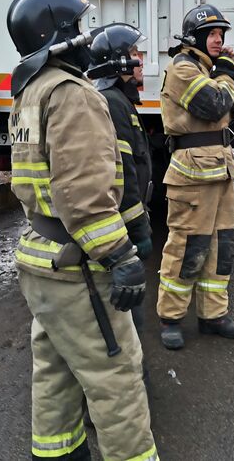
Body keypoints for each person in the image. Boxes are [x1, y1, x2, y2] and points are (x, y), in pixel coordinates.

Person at [6, 0, 156, 461]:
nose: (88, 35)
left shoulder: (29, 92)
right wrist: (120, 255)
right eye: (81, 25)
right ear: (61, 31)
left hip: (40, 257)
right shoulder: (72, 93)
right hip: (78, 269)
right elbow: (84, 196)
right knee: (115, 375)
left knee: (54, 370)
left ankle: (56, 454)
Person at [156, 3, 234, 350]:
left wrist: (232, 72)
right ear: (195, 37)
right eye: (211, 34)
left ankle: (214, 315)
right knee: (186, 247)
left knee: (221, 245)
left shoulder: (208, 70)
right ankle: (171, 317)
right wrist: (227, 72)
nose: (217, 40)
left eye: (221, 35)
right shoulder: (183, 68)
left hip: (220, 167)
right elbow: (215, 105)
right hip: (192, 172)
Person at [89, 23, 153, 339]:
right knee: (126, 312)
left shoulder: (118, 99)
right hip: (121, 226)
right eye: (134, 53)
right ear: (119, 62)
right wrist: (139, 227)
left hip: (123, 221)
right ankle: (131, 375)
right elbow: (122, 173)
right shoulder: (112, 102)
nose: (140, 60)